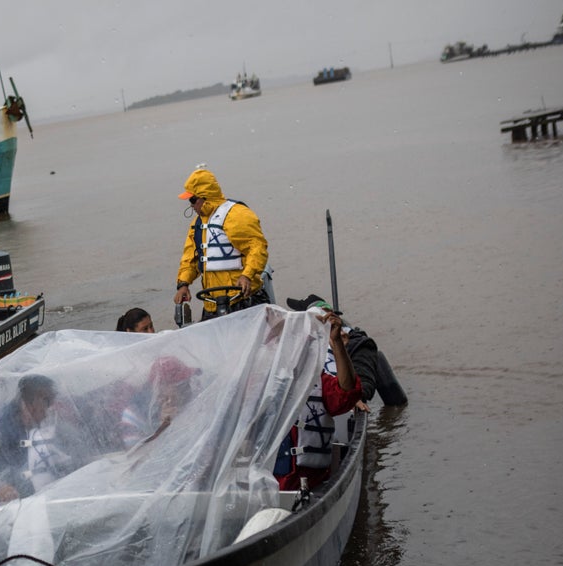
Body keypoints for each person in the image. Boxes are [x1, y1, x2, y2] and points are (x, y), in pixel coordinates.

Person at [275, 307, 363, 491]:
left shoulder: (320, 382)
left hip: (309, 483)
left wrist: (336, 341)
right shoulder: (262, 383)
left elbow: (347, 392)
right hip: (266, 484)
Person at [0, 375, 80, 507]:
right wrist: (0, 487)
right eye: (47, 402)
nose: (50, 409)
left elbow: (75, 451)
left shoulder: (50, 426)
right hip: (16, 505)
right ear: (29, 404)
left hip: (51, 497)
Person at [173, 166, 270, 320]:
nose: (191, 205)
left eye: (192, 200)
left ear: (204, 197)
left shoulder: (238, 215)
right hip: (212, 305)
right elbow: (190, 258)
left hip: (243, 301)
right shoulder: (198, 224)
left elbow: (257, 247)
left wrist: (247, 275)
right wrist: (183, 284)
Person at [286, 294, 406, 407]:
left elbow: (364, 383)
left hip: (338, 402)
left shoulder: (357, 344)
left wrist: (355, 397)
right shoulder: (301, 343)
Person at [119, 356, 199, 448]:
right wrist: (163, 425)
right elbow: (135, 453)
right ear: (159, 388)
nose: (187, 387)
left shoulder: (192, 399)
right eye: (180, 385)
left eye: (186, 382)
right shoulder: (133, 414)